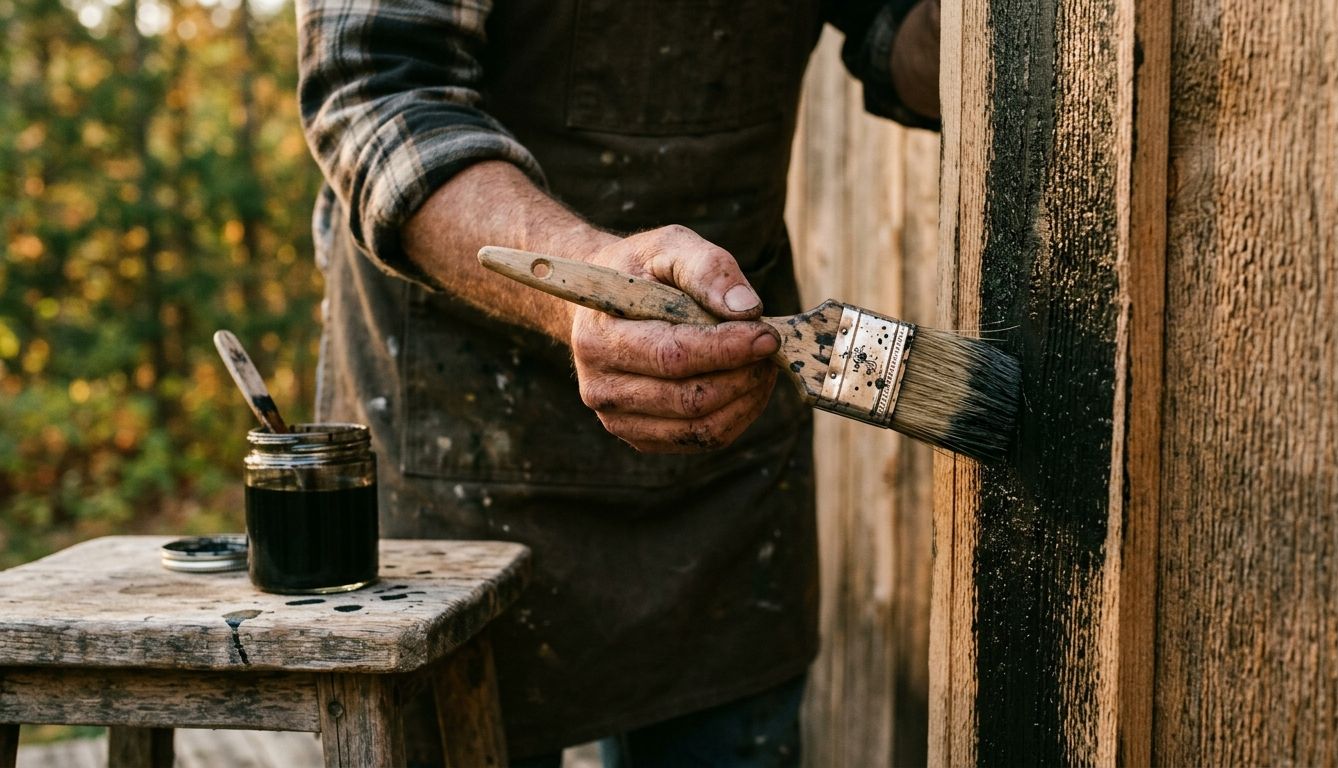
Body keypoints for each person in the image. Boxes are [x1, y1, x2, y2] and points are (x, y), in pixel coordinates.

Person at [296, 0, 940, 763]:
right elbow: (376, 91)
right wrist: (587, 282)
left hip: (723, 483)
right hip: (455, 445)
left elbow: (899, 32)